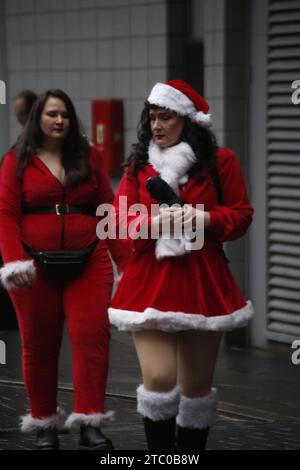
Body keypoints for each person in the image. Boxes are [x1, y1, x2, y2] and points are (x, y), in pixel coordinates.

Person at [108, 80, 254, 451]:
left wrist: (202, 219)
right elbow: (120, 221)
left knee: (196, 390)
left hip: (203, 281)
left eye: (166, 117)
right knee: (158, 379)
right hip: (149, 282)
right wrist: (156, 222)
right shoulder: (138, 166)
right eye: (153, 117)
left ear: (187, 121)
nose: (157, 125)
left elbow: (240, 216)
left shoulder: (221, 162)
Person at [0, 89, 127, 450]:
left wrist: (127, 264)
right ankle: (45, 425)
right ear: (38, 118)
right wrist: (13, 262)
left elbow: (108, 208)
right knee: (37, 346)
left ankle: (90, 423)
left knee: (91, 339)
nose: (59, 120)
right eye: (52, 114)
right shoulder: (16, 161)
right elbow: (6, 215)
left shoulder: (88, 156)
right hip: (31, 268)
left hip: (90, 260)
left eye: (65, 115)